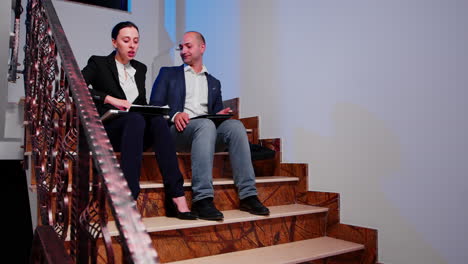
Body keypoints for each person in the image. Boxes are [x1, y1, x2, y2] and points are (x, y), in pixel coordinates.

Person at [81, 21, 197, 220]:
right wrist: (109, 99)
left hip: (135, 129)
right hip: (111, 129)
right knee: (135, 119)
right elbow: (76, 86)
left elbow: (140, 103)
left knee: (159, 122)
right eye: (126, 41)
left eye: (136, 41)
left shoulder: (140, 69)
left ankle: (177, 195)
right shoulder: (98, 63)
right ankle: (129, 198)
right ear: (114, 42)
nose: (132, 45)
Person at [149, 31, 269, 220]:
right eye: (181, 47)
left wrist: (219, 115)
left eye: (188, 46)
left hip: (205, 133)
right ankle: (202, 199)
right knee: (204, 125)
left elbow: (213, 117)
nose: (183, 51)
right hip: (177, 132)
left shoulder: (214, 83)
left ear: (202, 48)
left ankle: (248, 195)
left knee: (236, 127)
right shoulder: (168, 74)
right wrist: (175, 114)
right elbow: (154, 106)